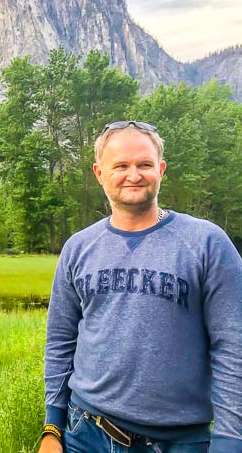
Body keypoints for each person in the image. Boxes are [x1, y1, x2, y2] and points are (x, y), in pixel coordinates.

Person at [39, 121, 242, 453]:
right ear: (99, 173)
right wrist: (52, 427)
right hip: (85, 432)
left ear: (161, 170)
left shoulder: (206, 243)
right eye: (120, 165)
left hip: (180, 441)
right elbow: (60, 341)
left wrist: (231, 440)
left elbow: (234, 348)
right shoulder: (78, 248)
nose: (133, 174)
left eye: (144, 164)